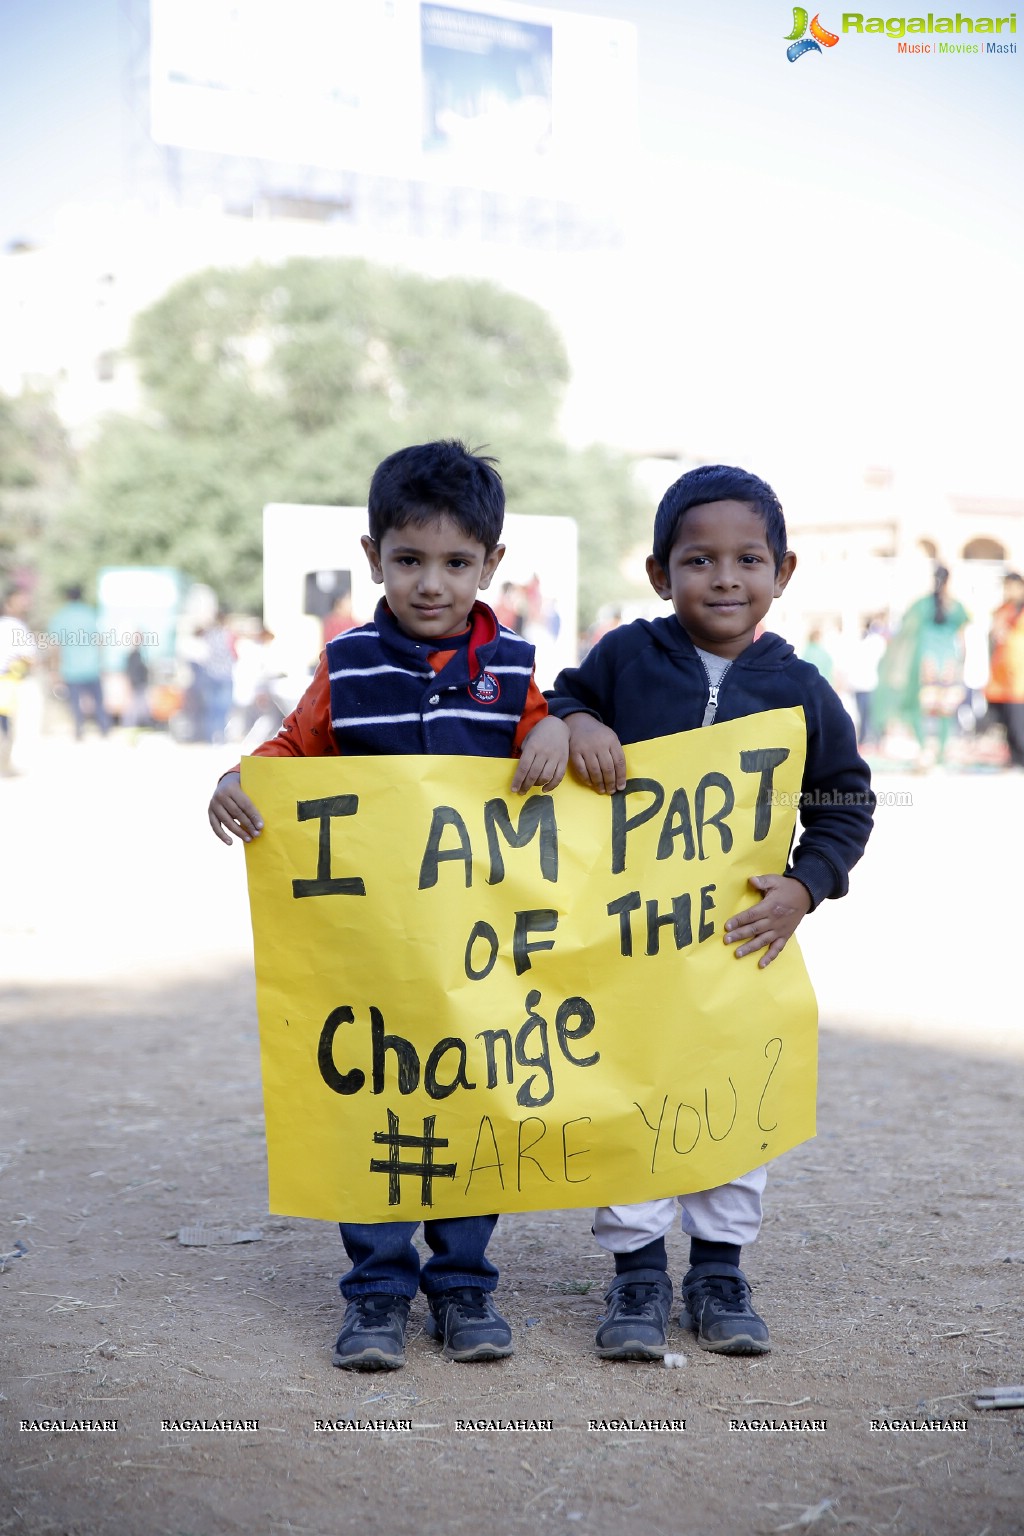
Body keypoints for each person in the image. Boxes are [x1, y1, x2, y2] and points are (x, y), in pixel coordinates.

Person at [207, 440, 570, 1372]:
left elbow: (551, 751)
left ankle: (462, 1284)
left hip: (475, 957)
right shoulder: (349, 663)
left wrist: (556, 735)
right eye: (409, 561)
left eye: (456, 563)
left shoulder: (515, 674)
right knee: (368, 1105)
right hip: (366, 954)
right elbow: (294, 750)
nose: (432, 584)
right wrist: (241, 781)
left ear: (492, 565)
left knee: (469, 1102)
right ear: (374, 558)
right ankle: (374, 1290)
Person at [546, 464, 874, 1360]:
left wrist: (805, 887)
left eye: (747, 559)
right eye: (699, 560)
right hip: (629, 947)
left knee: (736, 1097)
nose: (724, 578)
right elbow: (561, 695)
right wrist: (577, 722)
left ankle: (720, 1269)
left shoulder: (800, 689)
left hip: (739, 945)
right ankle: (639, 1274)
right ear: (660, 574)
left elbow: (846, 800)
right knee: (630, 1091)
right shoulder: (622, 657)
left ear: (783, 572)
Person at [877, 565, 969, 768]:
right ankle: (941, 753)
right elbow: (962, 639)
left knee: (918, 708)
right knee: (945, 711)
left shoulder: (921, 605)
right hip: (948, 664)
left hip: (925, 663)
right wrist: (961, 663)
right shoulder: (956, 606)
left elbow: (905, 633)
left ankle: (925, 748)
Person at [47, 584, 110, 740]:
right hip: (92, 667)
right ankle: (104, 729)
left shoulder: (61, 616)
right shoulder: (90, 613)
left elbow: (55, 646)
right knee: (99, 702)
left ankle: (79, 730)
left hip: (71, 669)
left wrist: (54, 670)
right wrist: (103, 664)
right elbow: (100, 641)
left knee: (75, 703)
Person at [985, 571, 1024, 769]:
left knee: (1019, 722)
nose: (1009, 591)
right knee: (1007, 720)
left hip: (1019, 675)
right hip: (1002, 676)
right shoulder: (1003, 609)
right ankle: (1014, 757)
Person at [0, 587, 36, 775]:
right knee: (5, 725)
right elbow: (30, 657)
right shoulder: (16, 627)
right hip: (7, 683)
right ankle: (4, 766)